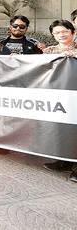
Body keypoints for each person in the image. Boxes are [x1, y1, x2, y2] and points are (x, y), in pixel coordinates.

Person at [42, 23, 77, 182]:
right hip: (59, 99)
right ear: (53, 35)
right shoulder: (49, 52)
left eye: (65, 31)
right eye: (57, 32)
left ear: (73, 32)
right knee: (62, 129)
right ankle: (64, 161)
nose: (61, 34)